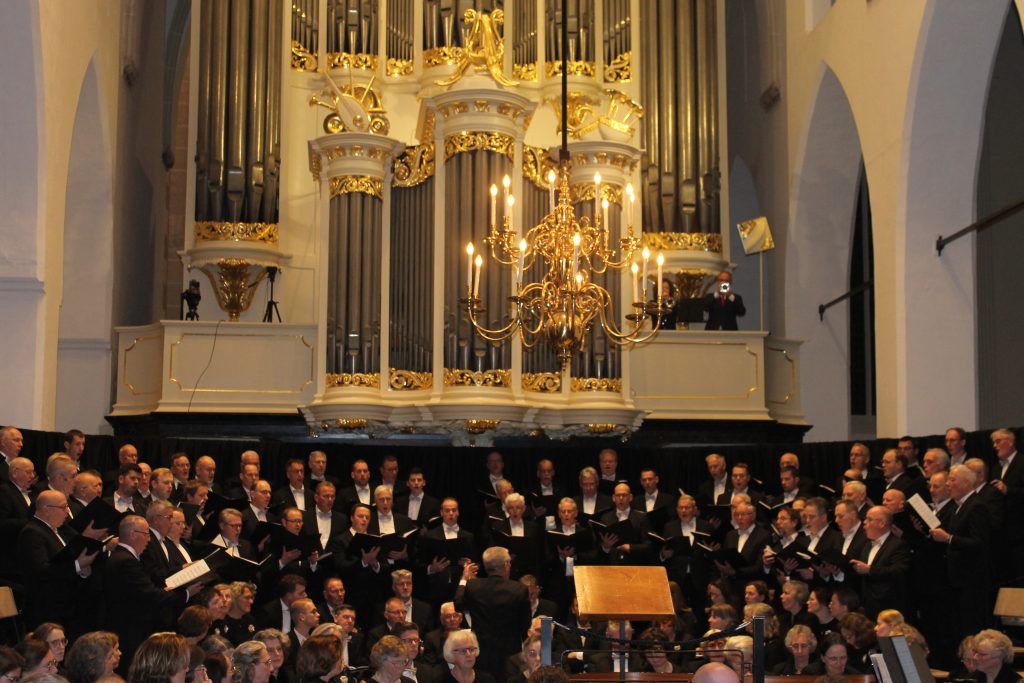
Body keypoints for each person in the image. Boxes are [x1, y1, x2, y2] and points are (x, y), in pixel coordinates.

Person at [454, 547, 531, 683]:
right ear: (506, 565)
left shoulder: (473, 586)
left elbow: (458, 603)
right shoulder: (519, 589)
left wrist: (464, 578)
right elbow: (525, 625)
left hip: (481, 651)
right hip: (510, 652)